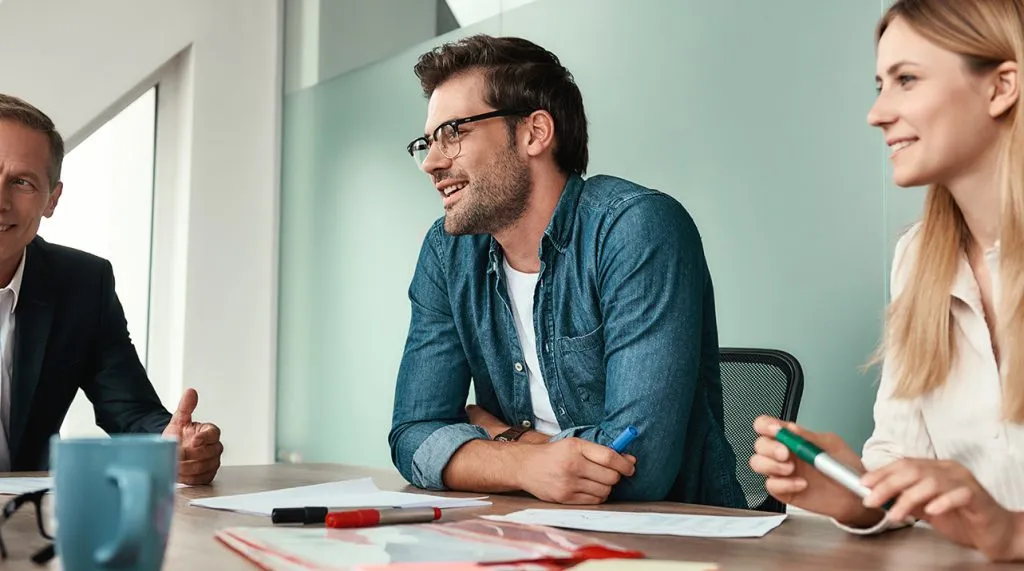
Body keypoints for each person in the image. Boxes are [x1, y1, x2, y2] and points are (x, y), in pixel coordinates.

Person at [388, 34, 744, 507]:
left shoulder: (635, 228)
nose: (431, 163)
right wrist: (525, 464)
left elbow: (641, 467)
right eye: (428, 141)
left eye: (454, 132)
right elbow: (412, 435)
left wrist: (502, 437)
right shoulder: (447, 252)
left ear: (535, 132)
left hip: (673, 541)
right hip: (527, 529)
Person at [749, 0, 1024, 560]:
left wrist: (1011, 531)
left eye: (907, 80)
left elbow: (992, 521)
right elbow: (903, 462)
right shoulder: (919, 259)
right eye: (881, 83)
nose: (877, 113)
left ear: (1001, 87)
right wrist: (853, 491)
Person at [0, 93, 223, 485]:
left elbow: (132, 411)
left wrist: (171, 447)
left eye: (21, 182)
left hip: (24, 522)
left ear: (52, 199)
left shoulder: (81, 284)